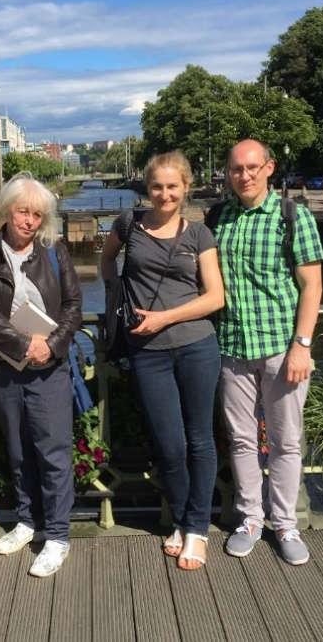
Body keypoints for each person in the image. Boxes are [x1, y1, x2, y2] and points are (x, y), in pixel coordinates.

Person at [100, 151, 225, 571]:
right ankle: (183, 517)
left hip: (196, 345)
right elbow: (106, 259)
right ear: (147, 188)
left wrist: (164, 318)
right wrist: (117, 294)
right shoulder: (129, 225)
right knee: (169, 447)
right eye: (157, 186)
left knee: (200, 440)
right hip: (147, 352)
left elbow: (214, 297)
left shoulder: (199, 235)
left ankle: (197, 529)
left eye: (173, 186)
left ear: (185, 187)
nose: (165, 194)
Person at [208, 139, 323, 566]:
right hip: (233, 346)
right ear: (229, 172)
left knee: (285, 442)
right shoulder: (219, 217)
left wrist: (302, 344)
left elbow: (312, 285)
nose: (245, 175)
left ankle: (285, 523)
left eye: (253, 167)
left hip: (280, 347)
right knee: (241, 440)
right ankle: (250, 518)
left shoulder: (293, 217)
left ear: (269, 168)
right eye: (237, 168)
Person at [0, 173, 82, 578]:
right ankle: (27, 521)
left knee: (53, 451)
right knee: (17, 449)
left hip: (48, 366)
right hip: (3, 366)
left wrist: (50, 345)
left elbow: (73, 304)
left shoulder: (54, 251)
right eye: (22, 211)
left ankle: (58, 535)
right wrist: (20, 343)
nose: (29, 221)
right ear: (7, 210)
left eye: (37, 214)